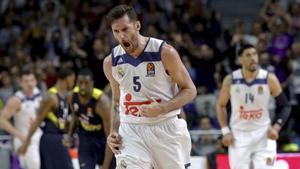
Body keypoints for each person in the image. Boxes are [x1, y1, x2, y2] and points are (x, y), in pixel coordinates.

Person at [103, 5, 197, 169]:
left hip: (164, 128)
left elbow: (190, 90)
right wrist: (113, 131)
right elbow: (117, 100)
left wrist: (163, 108)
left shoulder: (165, 53)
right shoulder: (110, 62)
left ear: (137, 26)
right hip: (131, 131)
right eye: (116, 31)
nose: (121, 35)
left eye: (125, 29)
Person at [216, 44, 291, 169]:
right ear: (240, 59)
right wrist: (225, 132)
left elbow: (286, 106)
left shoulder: (269, 79)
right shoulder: (231, 80)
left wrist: (276, 128)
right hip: (239, 136)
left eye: (255, 54)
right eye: (248, 55)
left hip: (263, 134)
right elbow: (221, 105)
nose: (253, 58)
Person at [18, 67, 75, 169]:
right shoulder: (50, 97)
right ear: (66, 79)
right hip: (51, 139)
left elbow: (62, 120)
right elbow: (37, 120)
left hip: (60, 138)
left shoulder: (65, 96)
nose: (74, 82)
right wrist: (26, 143)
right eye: (72, 79)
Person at [63, 68, 114, 169]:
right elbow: (75, 116)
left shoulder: (102, 104)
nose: (82, 86)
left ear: (92, 83)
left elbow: (110, 137)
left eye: (86, 83)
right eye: (80, 82)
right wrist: (69, 135)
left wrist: (105, 167)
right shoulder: (71, 96)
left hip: (104, 140)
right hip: (86, 138)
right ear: (76, 82)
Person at [0, 69, 42, 169]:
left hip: (39, 136)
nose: (30, 84)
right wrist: (19, 135)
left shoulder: (39, 93)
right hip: (24, 138)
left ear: (36, 81)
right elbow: (1, 120)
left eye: (32, 80)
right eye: (26, 81)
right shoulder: (16, 100)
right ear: (20, 83)